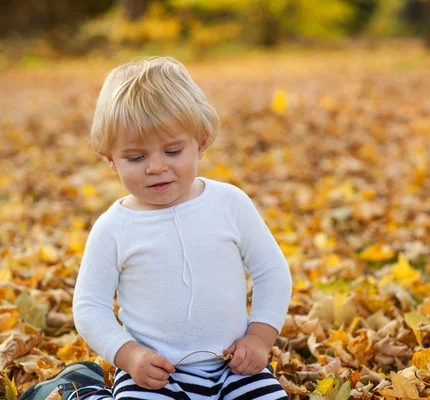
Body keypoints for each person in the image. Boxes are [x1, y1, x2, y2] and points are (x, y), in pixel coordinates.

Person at [20, 56, 292, 400]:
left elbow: (271, 272)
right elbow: (90, 306)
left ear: (202, 141)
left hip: (234, 366)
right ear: (110, 159)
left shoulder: (230, 204)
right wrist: (129, 355)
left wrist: (259, 338)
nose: (156, 167)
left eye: (173, 150)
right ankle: (75, 391)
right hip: (155, 375)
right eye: (136, 158)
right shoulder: (114, 228)